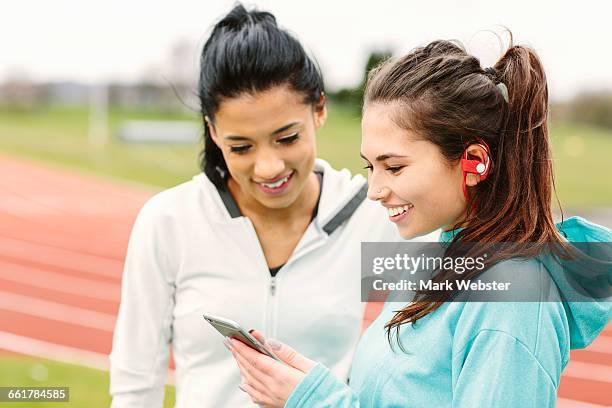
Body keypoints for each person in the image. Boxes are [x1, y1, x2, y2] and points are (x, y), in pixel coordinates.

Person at [226, 38, 612, 407]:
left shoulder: (513, 298)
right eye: (370, 166)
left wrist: (315, 401)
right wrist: (311, 385)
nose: (374, 189)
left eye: (393, 166)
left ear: (475, 161)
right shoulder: (434, 257)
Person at [107, 4, 412, 407]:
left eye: (287, 138)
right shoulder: (170, 222)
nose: (269, 167)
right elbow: (135, 383)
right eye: (241, 147)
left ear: (318, 110)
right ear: (213, 131)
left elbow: (499, 285)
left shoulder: (369, 215)